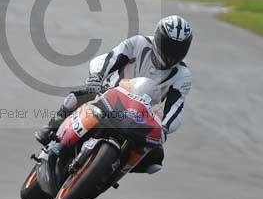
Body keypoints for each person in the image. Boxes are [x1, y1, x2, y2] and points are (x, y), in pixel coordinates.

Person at [35, 15, 193, 174]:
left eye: (178, 48)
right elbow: (110, 58)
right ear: (158, 38)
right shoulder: (139, 43)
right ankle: (52, 128)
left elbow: (176, 107)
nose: (172, 53)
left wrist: (164, 128)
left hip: (140, 115)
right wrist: (96, 77)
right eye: (168, 45)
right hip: (110, 94)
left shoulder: (182, 75)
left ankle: (112, 171)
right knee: (76, 98)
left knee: (155, 159)